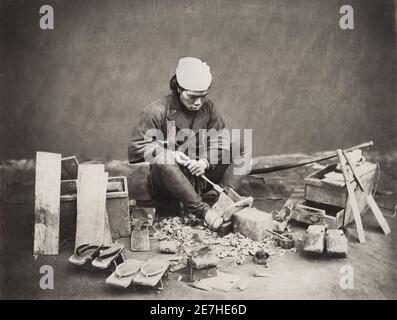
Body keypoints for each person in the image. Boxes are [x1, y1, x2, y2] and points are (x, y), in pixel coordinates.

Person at [128, 57, 251, 230]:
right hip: (168, 183)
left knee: (241, 146)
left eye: (203, 96)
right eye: (192, 97)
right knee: (164, 159)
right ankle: (204, 212)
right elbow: (136, 146)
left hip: (200, 178)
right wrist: (171, 154)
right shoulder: (156, 111)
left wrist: (205, 162)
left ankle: (223, 199)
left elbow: (220, 140)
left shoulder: (208, 108)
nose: (198, 103)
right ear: (178, 88)